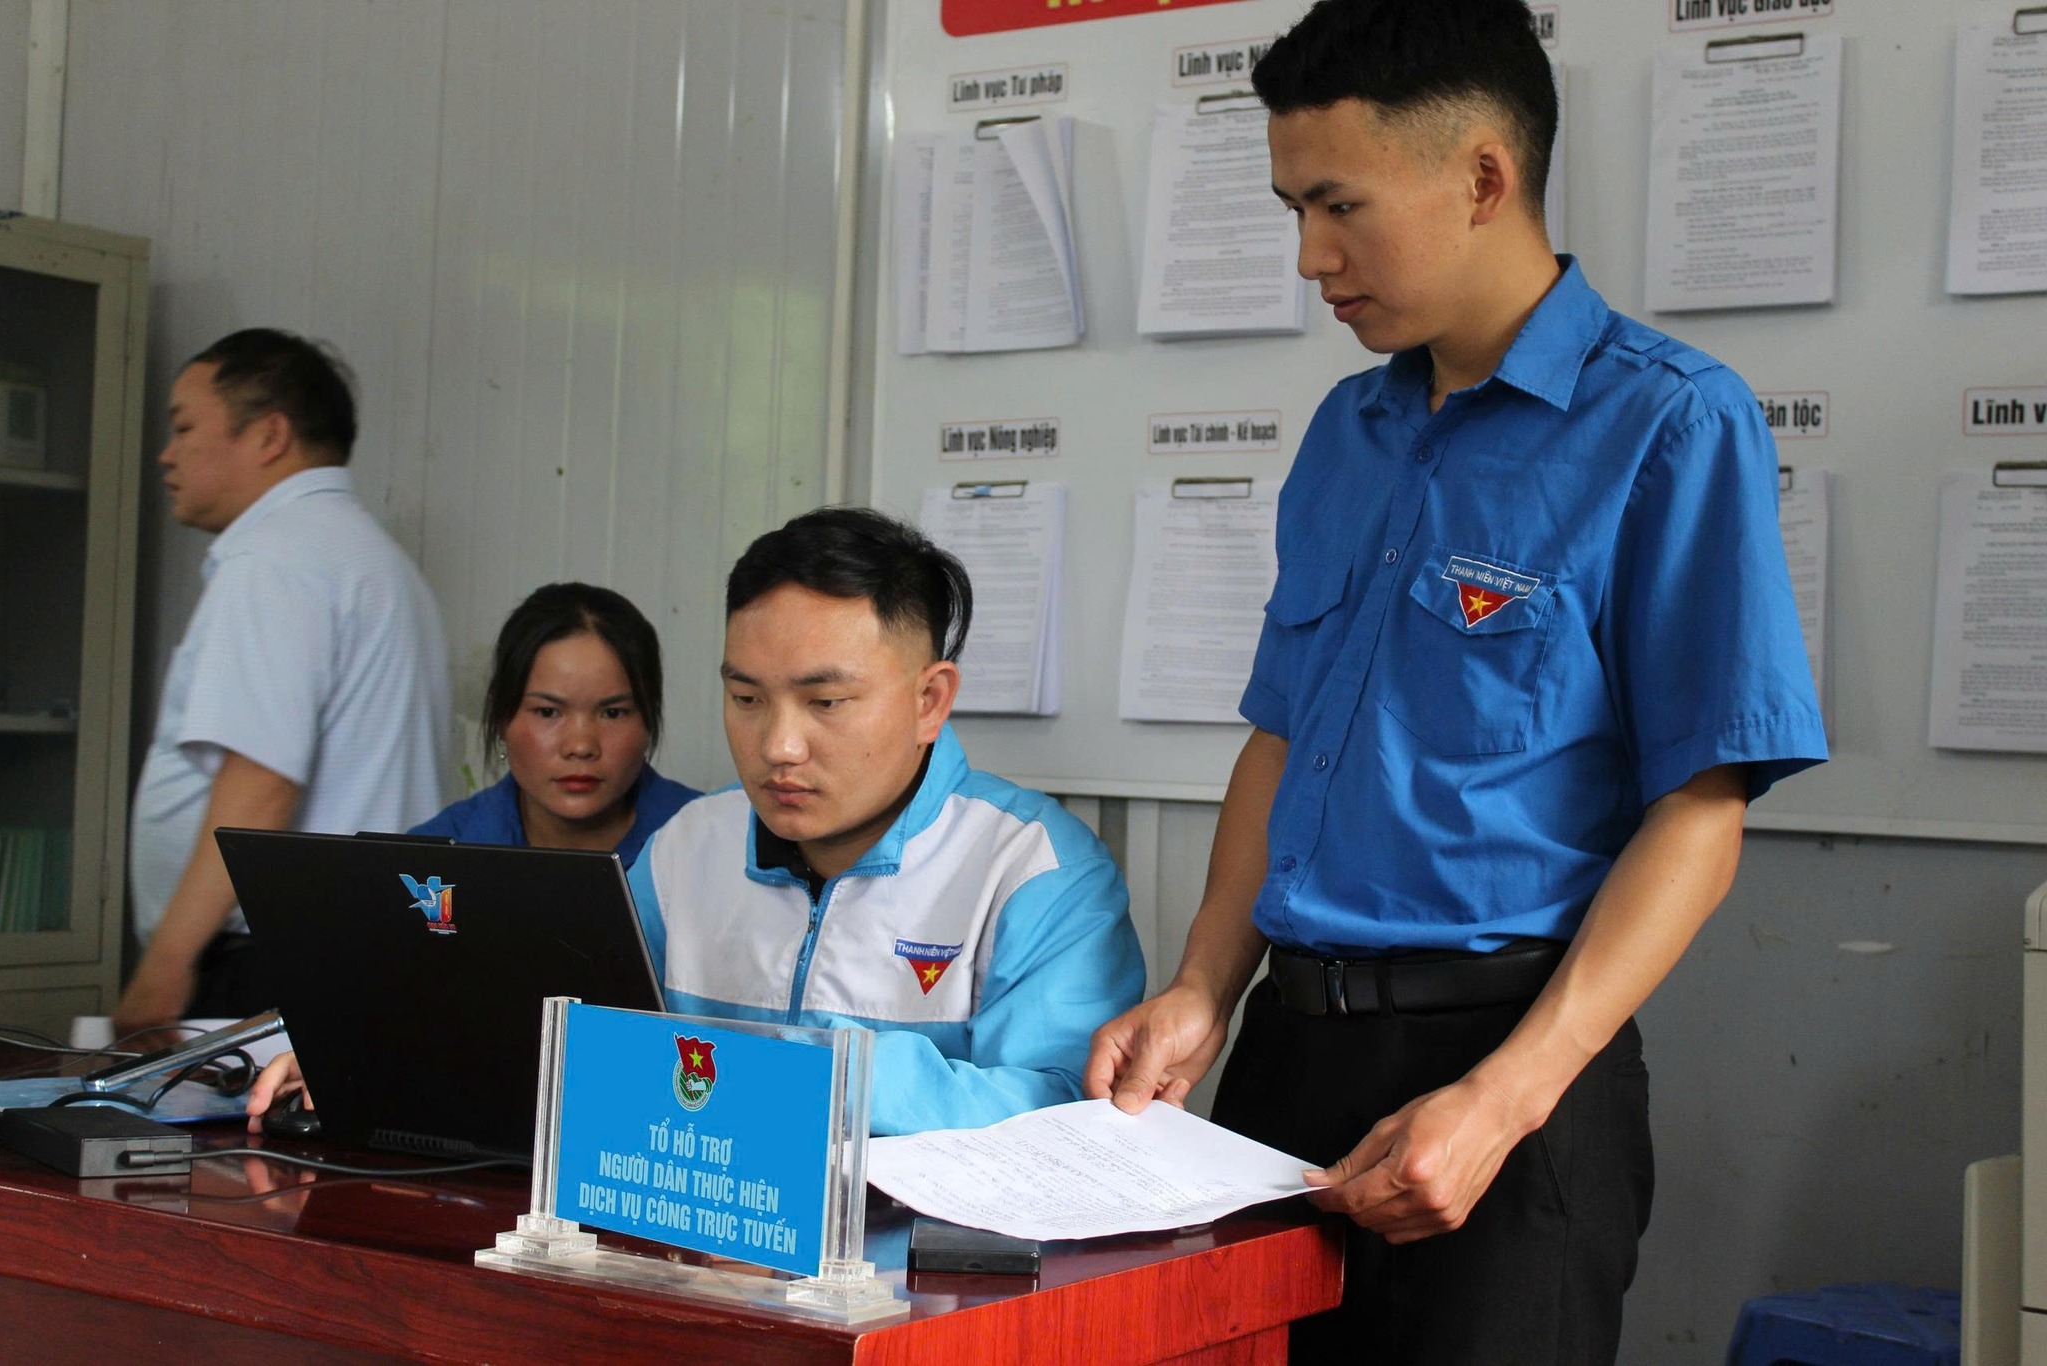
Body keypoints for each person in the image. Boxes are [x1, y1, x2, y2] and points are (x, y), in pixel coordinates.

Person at [1082, 3, 1828, 1363]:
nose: (1310, 258)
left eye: (1339, 206)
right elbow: (1280, 738)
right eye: (1291, 210)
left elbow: (1702, 807)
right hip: (1285, 1057)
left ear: (1483, 176)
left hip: (1507, 1072)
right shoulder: (1348, 427)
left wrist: (1501, 1100)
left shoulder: (1666, 419)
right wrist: (1202, 985)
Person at [630, 506, 1147, 1136]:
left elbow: (1066, 1111)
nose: (778, 747)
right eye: (746, 699)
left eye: (826, 702)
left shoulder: (1032, 868)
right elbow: (590, 1054)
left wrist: (825, 1077)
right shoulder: (683, 849)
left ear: (930, 701)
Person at [119, 329, 450, 1036]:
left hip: (268, 961)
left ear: (270, 436)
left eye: (184, 427)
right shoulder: (373, 559)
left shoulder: (275, 559)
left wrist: (164, 966)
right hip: (362, 947)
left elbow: (260, 782)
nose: (167, 454)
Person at [411, 582, 699, 866]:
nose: (581, 746)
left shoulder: (710, 842)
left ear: (649, 716)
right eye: (548, 712)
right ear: (501, 717)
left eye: (613, 713)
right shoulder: (429, 860)